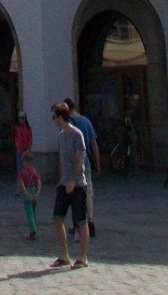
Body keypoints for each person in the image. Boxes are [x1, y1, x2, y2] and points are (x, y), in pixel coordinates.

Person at [48, 103, 90, 269]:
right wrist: (61, 181)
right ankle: (65, 255)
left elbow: (80, 160)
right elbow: (61, 161)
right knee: (57, 218)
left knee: (80, 220)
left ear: (60, 117)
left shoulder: (77, 134)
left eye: (54, 117)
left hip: (78, 185)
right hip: (64, 184)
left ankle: (83, 257)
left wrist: (73, 180)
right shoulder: (60, 136)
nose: (53, 120)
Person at [64, 98, 99, 236]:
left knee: (74, 194)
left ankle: (78, 225)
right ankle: (90, 219)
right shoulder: (86, 121)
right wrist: (98, 164)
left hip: (72, 164)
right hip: (86, 162)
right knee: (88, 191)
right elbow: (94, 144)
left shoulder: (67, 124)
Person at [17, 158, 43, 240]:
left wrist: (26, 194)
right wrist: (37, 193)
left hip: (28, 191)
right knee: (34, 212)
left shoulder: (22, 173)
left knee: (30, 213)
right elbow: (39, 183)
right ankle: (34, 229)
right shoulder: (35, 172)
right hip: (34, 191)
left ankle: (33, 230)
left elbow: (22, 185)